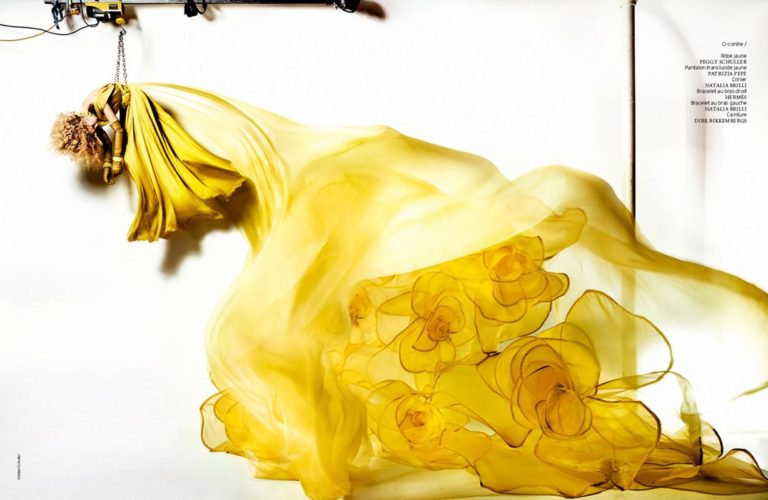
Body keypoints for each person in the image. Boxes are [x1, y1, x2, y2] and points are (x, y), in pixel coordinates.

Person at [52, 83, 768, 499]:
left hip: (328, 190)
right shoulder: (166, 120)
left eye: (115, 158)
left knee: (249, 337)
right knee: (263, 337)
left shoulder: (152, 116)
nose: (122, 170)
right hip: (319, 189)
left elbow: (197, 174)